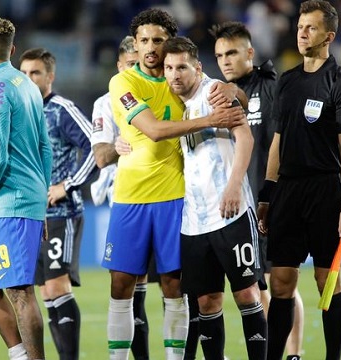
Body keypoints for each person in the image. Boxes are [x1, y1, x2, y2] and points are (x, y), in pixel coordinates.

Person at [102, 8, 244, 360]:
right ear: (134, 45)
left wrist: (233, 89)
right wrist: (211, 119)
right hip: (130, 197)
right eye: (144, 41)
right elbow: (152, 130)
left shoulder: (178, 78)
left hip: (175, 197)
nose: (151, 47)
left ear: (170, 45)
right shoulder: (123, 83)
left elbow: (231, 95)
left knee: (173, 287)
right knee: (121, 285)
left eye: (158, 41)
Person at [255, 1, 341, 359]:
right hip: (289, 192)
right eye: (300, 26)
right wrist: (267, 194)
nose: (301, 33)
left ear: (329, 35)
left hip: (326, 191)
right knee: (281, 282)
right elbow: (278, 142)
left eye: (310, 28)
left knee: (327, 282)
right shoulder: (288, 81)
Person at [163, 35, 267, 359]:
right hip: (195, 221)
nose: (174, 74)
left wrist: (235, 185)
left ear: (197, 67)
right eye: (168, 68)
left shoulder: (215, 92)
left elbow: (245, 138)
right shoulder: (180, 103)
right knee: (207, 301)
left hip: (231, 214)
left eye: (181, 67)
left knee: (247, 294)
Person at [210, 21, 305, 360]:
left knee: (280, 283)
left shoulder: (272, 87)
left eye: (232, 52)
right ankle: (277, 353)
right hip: (240, 207)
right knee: (257, 285)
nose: (225, 60)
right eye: (220, 54)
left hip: (273, 202)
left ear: (250, 52)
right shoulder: (216, 96)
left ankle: (292, 353)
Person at [0, 16, 52, 360]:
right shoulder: (28, 85)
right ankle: (19, 354)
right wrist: (42, 204)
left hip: (12, 202)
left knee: (19, 292)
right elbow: (45, 148)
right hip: (26, 199)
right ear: (13, 50)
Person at [18, 47, 95, 360]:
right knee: (44, 292)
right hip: (29, 215)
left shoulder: (61, 108)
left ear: (50, 76)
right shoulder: (17, 112)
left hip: (61, 212)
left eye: (35, 73)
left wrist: (69, 184)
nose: (28, 79)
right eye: (22, 73)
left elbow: (96, 146)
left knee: (56, 287)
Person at [91, 35, 155, 360]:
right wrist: (116, 148)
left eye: (140, 64)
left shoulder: (159, 91)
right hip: (128, 200)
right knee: (126, 284)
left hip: (168, 197)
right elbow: (100, 156)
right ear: (119, 66)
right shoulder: (105, 103)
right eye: (130, 65)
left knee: (181, 285)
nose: (136, 71)